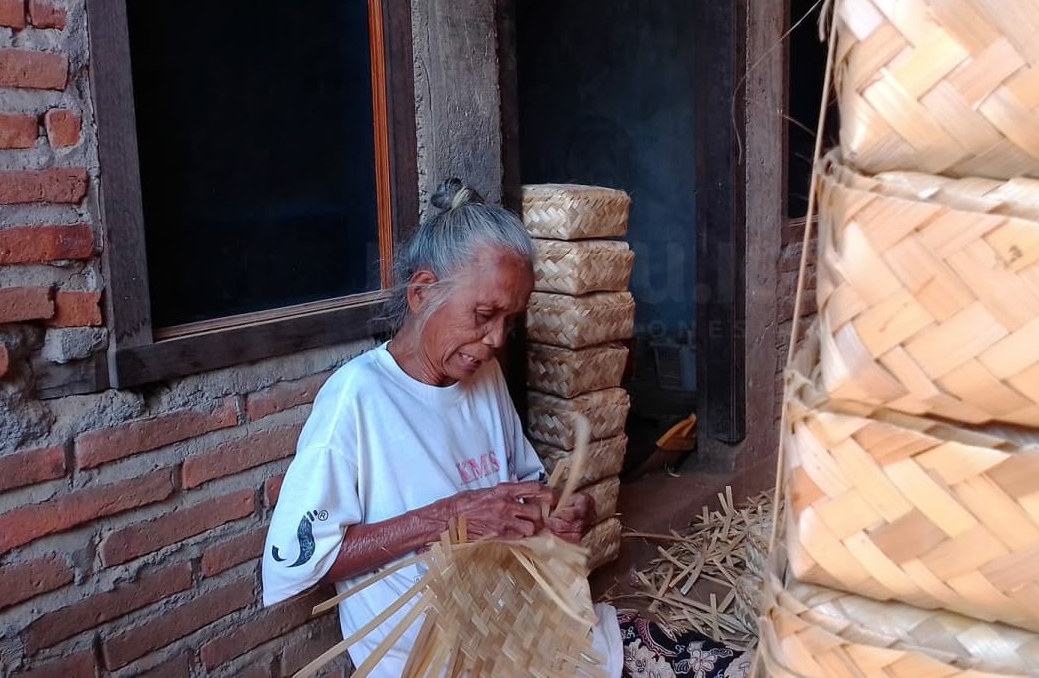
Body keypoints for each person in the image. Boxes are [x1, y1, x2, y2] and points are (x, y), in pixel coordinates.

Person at [261, 180, 750, 678]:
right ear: (421, 293)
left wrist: (555, 511)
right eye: (483, 315)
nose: (496, 339)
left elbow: (525, 488)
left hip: (531, 632)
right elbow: (299, 565)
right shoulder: (357, 399)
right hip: (440, 662)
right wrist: (447, 518)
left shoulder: (481, 374)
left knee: (726, 666)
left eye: (509, 321)